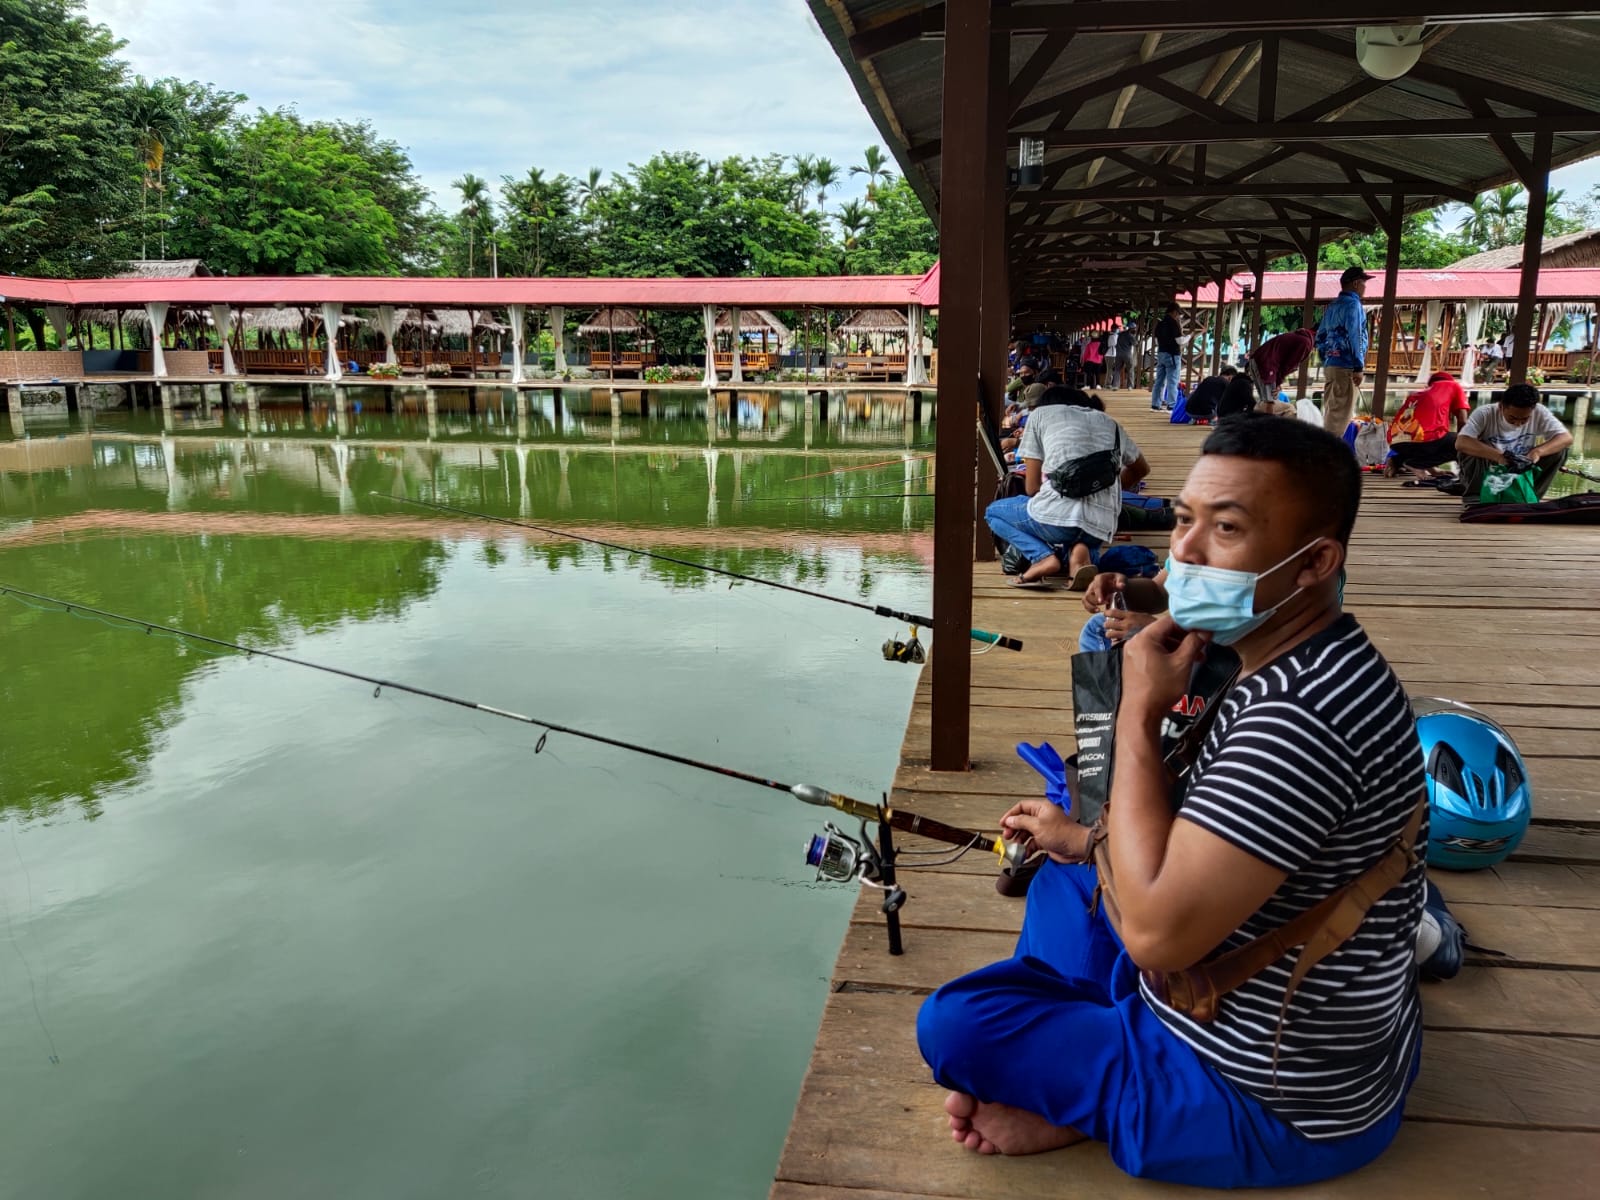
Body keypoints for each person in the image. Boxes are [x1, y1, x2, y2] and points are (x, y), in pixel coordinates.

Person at [920, 417, 1426, 1188]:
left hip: (1271, 1098)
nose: (1186, 551)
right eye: (1185, 519)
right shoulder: (1301, 652)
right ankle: (1079, 1059)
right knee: (1065, 873)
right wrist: (1086, 841)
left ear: (1316, 561)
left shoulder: (1298, 718)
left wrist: (1135, 711)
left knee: (958, 1027)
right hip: (1325, 1023)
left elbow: (1155, 938)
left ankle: (1083, 1094)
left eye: (1226, 529)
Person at [984, 387, 1149, 590]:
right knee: (1083, 535)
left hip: (1057, 520)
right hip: (1101, 525)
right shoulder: (1110, 423)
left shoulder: (1040, 415)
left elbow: (1032, 488)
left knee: (993, 513)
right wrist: (1107, 490)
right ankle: (1079, 554)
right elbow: (1141, 469)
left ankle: (1043, 558)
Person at [1449, 382, 1574, 500]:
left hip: (1522, 465)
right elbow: (1461, 442)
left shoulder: (1540, 412)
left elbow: (1566, 438)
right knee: (1468, 451)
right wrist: (1499, 457)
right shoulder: (1484, 413)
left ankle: (1531, 495)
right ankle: (1477, 496)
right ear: (1501, 406)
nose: (1518, 423)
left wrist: (1537, 452)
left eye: (1525, 419)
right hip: (1491, 467)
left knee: (1560, 450)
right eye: (1512, 418)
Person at [1315, 266, 1373, 436]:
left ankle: (1325, 454)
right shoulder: (1354, 305)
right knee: (1339, 420)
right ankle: (1326, 457)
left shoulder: (1333, 306)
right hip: (1346, 366)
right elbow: (1355, 335)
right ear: (1356, 283)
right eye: (1363, 283)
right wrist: (1358, 367)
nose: (1365, 287)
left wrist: (1328, 357)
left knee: (1331, 413)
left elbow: (1320, 336)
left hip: (1331, 366)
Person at [1384, 371, 1471, 479]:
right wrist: (1464, 444)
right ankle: (1416, 464)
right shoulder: (1453, 385)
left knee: (1430, 440)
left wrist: (1433, 470)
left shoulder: (1417, 395)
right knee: (1462, 442)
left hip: (1396, 443)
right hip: (1422, 441)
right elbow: (1463, 421)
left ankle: (1397, 460)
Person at [1248, 327, 1316, 397]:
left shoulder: (1299, 337)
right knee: (1270, 401)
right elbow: (1289, 365)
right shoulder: (1305, 342)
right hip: (1267, 365)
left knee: (1265, 400)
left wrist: (1277, 382)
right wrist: (1277, 382)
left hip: (1258, 360)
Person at [1150, 303, 1184, 412]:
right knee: (1172, 381)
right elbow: (1179, 341)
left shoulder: (1159, 324)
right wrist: (1189, 336)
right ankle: (1172, 405)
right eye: (1178, 314)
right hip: (1172, 355)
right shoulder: (1173, 323)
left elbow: (1156, 341)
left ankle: (1155, 404)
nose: (1178, 316)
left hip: (1161, 353)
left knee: (1159, 380)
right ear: (1174, 312)